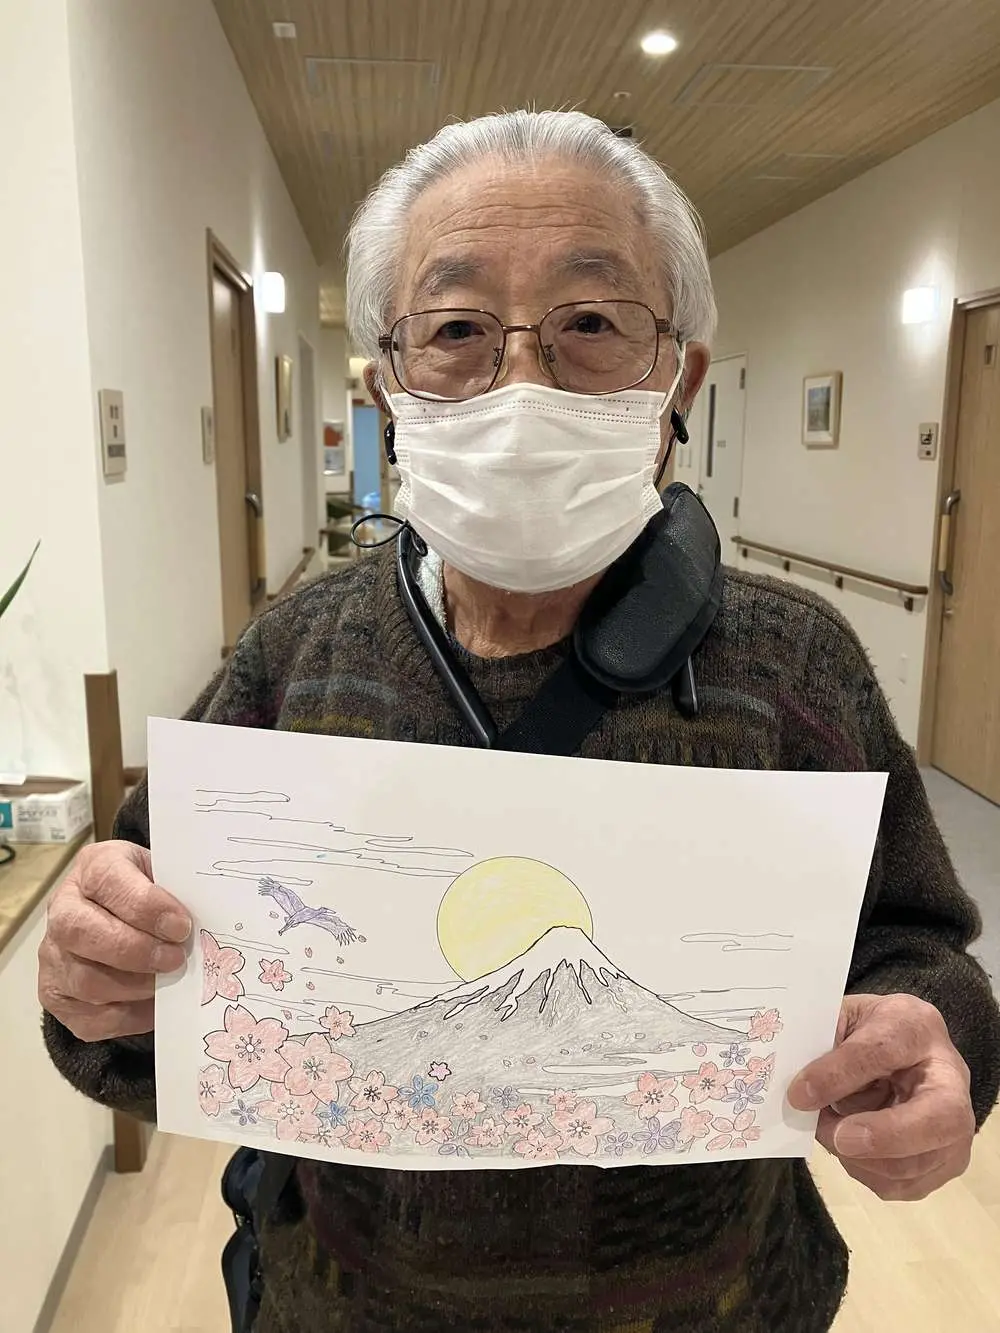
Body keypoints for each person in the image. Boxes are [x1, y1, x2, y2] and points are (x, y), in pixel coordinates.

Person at [39, 110, 999, 1333]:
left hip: (717, 1306)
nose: (524, 384)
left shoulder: (792, 659)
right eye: (456, 330)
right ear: (390, 386)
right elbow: (141, 964)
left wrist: (939, 1041)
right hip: (344, 1306)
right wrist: (96, 982)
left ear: (678, 378)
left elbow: (919, 942)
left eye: (591, 322)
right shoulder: (297, 654)